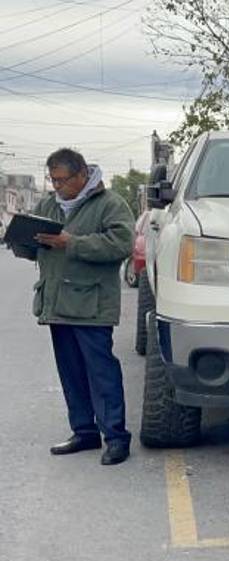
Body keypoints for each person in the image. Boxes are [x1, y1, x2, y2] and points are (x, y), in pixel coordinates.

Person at [29, 148, 135, 465]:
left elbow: (122, 244)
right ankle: (84, 432)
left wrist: (70, 242)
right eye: (53, 180)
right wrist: (23, 239)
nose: (57, 187)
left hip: (92, 305)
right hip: (57, 303)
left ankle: (116, 438)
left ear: (82, 175)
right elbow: (33, 248)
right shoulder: (49, 204)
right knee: (71, 373)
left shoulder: (109, 204)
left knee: (101, 373)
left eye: (62, 180)